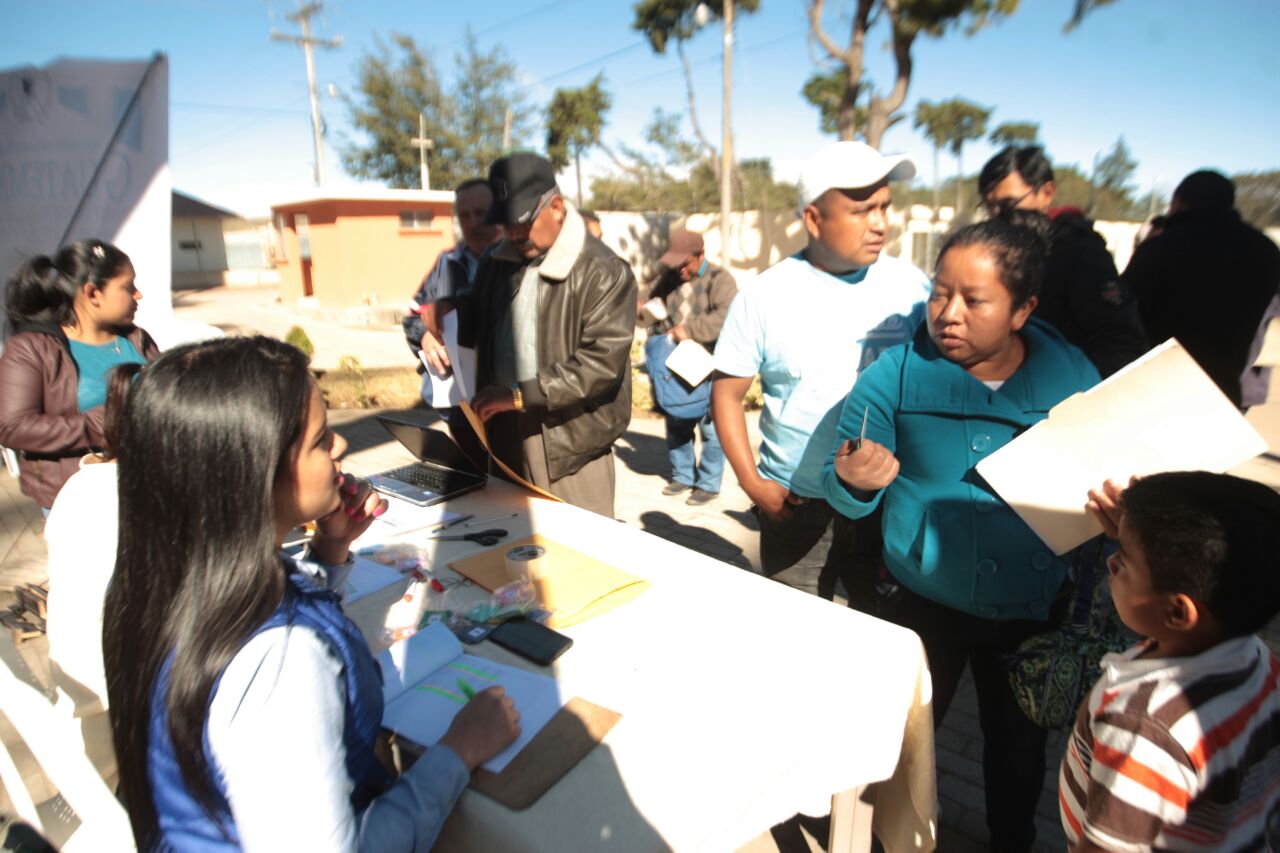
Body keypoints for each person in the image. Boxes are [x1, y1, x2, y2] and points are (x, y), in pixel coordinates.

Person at [102, 336, 521, 850]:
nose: (341, 447)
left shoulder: (160, 582)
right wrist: (459, 750)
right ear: (253, 472)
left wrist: (329, 552)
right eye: (322, 441)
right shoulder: (281, 662)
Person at [822, 215, 1101, 853]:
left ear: (1023, 308)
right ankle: (878, 837)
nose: (947, 313)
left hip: (1031, 611)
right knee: (904, 738)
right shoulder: (892, 374)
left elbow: (1104, 473)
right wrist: (858, 483)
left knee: (1017, 752)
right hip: (924, 601)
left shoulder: (1076, 379)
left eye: (974, 300)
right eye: (939, 292)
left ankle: (1010, 841)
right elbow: (847, 491)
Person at [711, 140, 928, 601]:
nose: (880, 223)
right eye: (863, 209)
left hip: (886, 501)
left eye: (885, 208)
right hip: (796, 505)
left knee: (878, 634)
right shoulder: (764, 296)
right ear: (813, 218)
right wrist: (753, 482)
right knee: (798, 633)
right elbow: (727, 396)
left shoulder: (913, 287)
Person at [1060, 472, 1280, 852]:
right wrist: (1142, 539)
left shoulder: (1143, 726)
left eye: (1124, 562)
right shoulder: (1254, 656)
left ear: (1178, 612)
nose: (1111, 563)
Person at [423, 152, 636, 518]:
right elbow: (476, 312)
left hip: (570, 448)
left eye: (523, 221)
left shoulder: (604, 271)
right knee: (511, 550)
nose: (515, 234)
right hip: (504, 439)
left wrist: (520, 395)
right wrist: (447, 313)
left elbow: (600, 365)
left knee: (581, 559)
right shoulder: (495, 260)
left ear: (555, 207)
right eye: (506, 223)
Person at [0, 239, 157, 512]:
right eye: (128, 287)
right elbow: (11, 427)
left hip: (148, 490)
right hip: (79, 503)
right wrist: (103, 425)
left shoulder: (137, 338)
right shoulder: (33, 348)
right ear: (93, 293)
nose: (138, 294)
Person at [979, 145, 1147, 378]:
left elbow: (1119, 344)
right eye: (990, 207)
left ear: (1046, 193)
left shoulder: (1079, 252)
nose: (998, 216)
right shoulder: (995, 252)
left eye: (1009, 204)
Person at [1123, 169, 1280, 406]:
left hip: (1157, 389)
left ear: (1179, 203)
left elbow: (1124, 314)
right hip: (1226, 390)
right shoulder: (1267, 251)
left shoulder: (1159, 249)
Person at [641, 229, 737, 505]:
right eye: (676, 263)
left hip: (710, 365)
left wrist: (690, 329)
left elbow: (725, 316)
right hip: (675, 366)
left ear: (701, 255)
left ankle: (708, 483)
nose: (681, 269)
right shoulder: (669, 277)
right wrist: (641, 308)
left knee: (712, 427)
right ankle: (683, 476)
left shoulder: (721, 279)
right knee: (677, 422)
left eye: (686, 263)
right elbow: (644, 298)